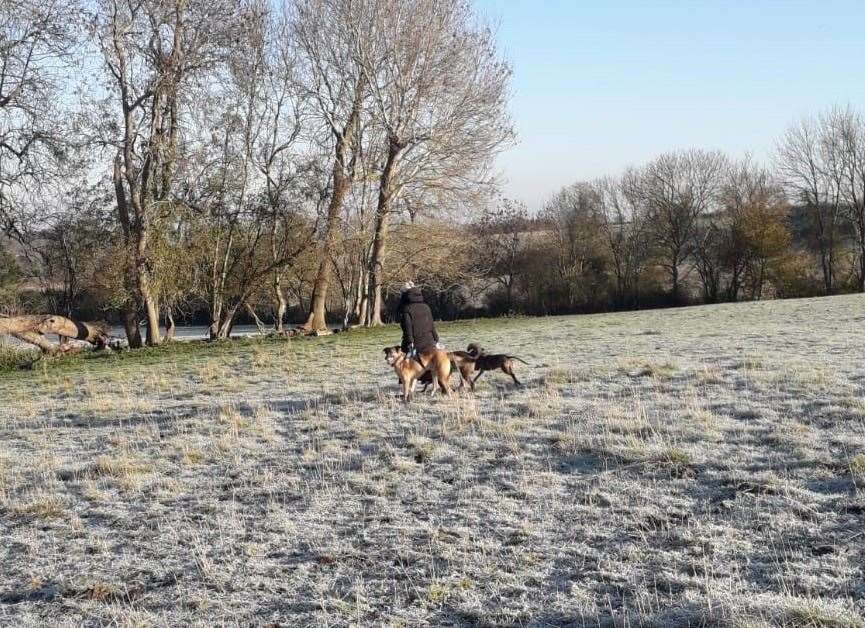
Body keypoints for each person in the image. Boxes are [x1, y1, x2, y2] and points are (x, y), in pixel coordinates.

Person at [397, 282, 442, 358]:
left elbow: (408, 328)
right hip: (430, 342)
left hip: (416, 345)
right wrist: (436, 339)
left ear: (404, 295)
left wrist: (410, 342)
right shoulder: (426, 307)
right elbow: (431, 325)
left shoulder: (406, 309)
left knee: (405, 367)